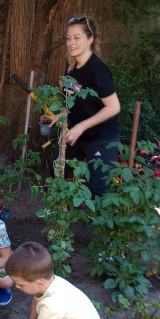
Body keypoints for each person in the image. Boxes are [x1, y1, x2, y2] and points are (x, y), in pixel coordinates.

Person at [46, 16, 121, 197]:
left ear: (90, 39)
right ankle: (59, 212)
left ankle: (99, 224)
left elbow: (113, 107)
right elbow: (72, 99)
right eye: (69, 37)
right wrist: (61, 116)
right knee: (57, 168)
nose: (71, 42)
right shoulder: (71, 67)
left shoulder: (98, 71)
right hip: (79, 133)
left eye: (77, 37)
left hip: (101, 136)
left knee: (98, 188)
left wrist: (81, 126)